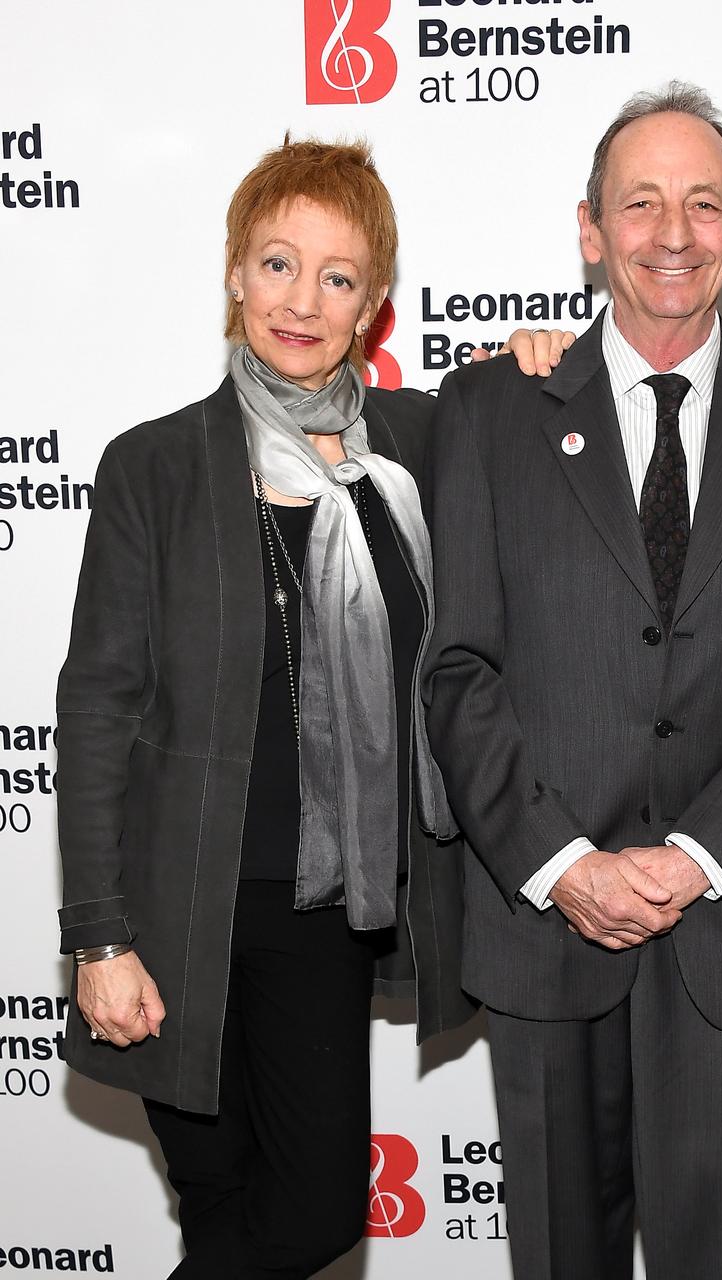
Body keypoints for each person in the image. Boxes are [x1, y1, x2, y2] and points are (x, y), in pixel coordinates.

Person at [55, 138, 546, 1279]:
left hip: (326, 906)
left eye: (337, 276)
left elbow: (556, 426)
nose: (302, 300)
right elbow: (96, 707)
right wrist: (98, 934)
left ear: (373, 303)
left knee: (313, 1212)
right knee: (220, 1205)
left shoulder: (423, 443)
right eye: (278, 263)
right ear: (235, 272)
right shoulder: (158, 466)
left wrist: (541, 359)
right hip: (174, 906)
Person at [424, 82, 722, 1280]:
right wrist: (567, 865)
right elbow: (457, 665)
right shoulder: (484, 409)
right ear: (588, 229)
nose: (671, 233)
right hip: (543, 924)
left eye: (702, 204)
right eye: (640, 203)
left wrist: (696, 859)